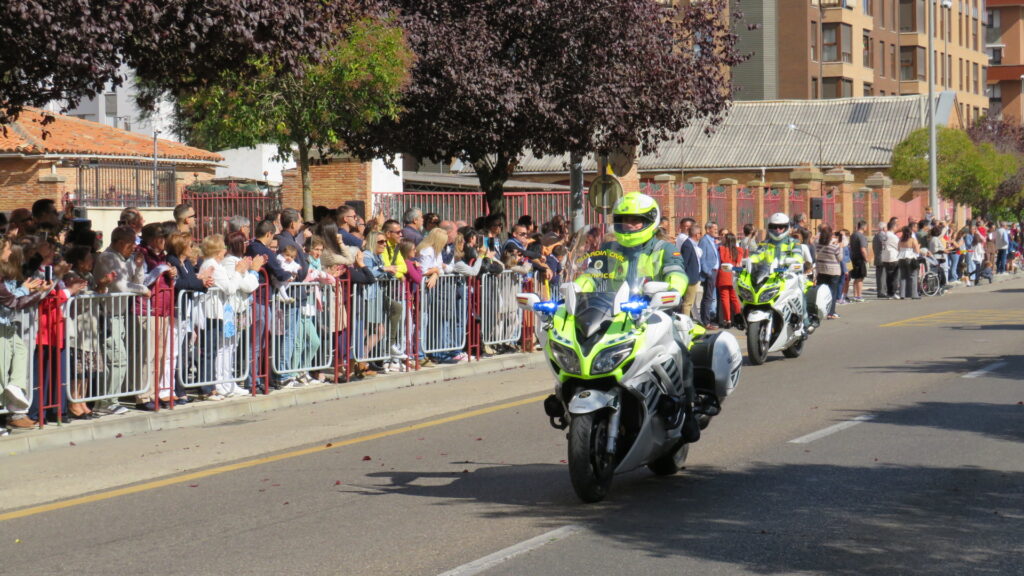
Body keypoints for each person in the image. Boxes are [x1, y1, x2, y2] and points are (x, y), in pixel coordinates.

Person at [578, 192, 699, 442]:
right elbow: (592, 273)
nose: (629, 225)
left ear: (650, 221)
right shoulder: (609, 247)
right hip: (612, 315)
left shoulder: (663, 248)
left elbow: (677, 273)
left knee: (679, 352)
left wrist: (672, 290)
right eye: (624, 220)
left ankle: (688, 411)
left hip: (654, 313)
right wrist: (576, 289)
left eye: (636, 220)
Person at [716, 232, 745, 328]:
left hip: (724, 273)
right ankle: (738, 319)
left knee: (725, 298)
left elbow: (722, 259)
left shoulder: (722, 249)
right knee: (734, 298)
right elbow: (739, 262)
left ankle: (727, 320)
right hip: (733, 274)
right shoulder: (739, 250)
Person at [815, 225, 844, 319]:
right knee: (832, 293)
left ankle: (820, 311)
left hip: (821, 270)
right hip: (833, 271)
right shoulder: (834, 245)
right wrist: (841, 246)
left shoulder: (818, 244)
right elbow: (840, 258)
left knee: (821, 292)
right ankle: (831, 312)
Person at [697, 222, 720, 328]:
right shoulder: (704, 241)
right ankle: (706, 322)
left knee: (709, 297)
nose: (716, 230)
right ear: (708, 230)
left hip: (714, 271)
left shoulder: (711, 241)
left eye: (716, 228)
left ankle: (706, 320)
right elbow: (702, 258)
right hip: (709, 273)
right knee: (708, 297)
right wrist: (708, 272)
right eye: (714, 228)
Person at [848, 220, 868, 302]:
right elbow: (863, 249)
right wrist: (866, 258)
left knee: (856, 278)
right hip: (860, 258)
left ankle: (855, 295)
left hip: (853, 257)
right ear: (863, 227)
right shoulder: (861, 236)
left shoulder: (853, 235)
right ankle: (859, 295)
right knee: (860, 278)